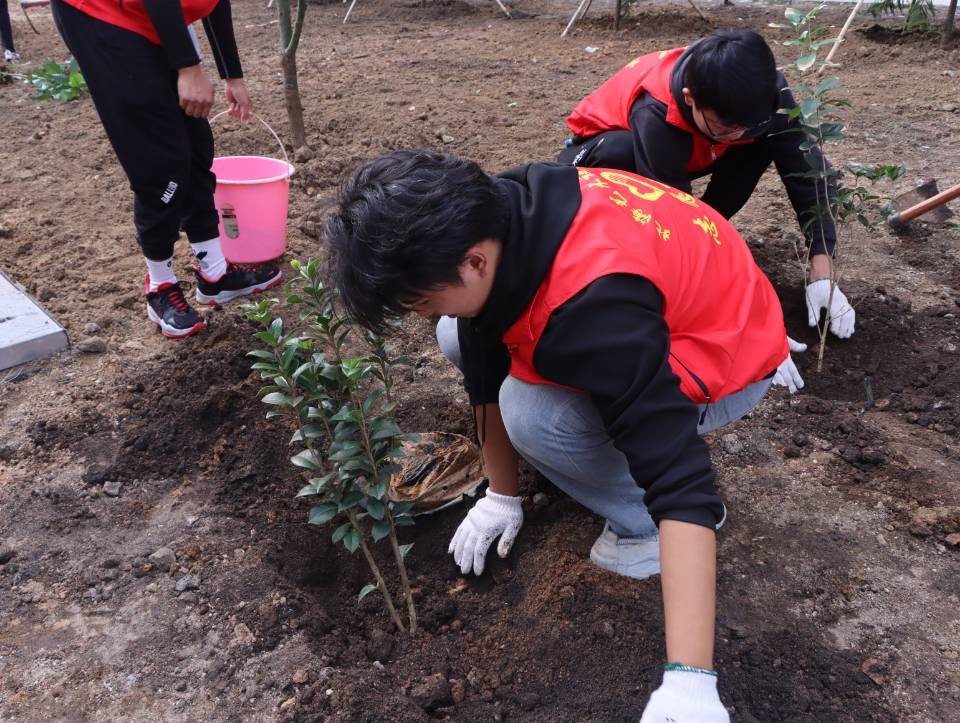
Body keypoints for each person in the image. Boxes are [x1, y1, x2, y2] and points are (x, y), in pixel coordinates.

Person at [326, 149, 798, 721]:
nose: (421, 314)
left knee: (533, 415)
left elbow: (680, 476)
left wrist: (691, 680)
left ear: (474, 261)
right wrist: (500, 495)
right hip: (673, 303)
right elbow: (481, 348)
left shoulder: (596, 310)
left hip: (724, 356)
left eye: (421, 300)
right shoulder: (502, 211)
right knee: (456, 331)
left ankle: (642, 529)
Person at [559, 29, 854, 390]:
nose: (737, 134)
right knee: (633, 170)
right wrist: (751, 326)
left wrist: (822, 269)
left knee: (763, 142)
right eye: (725, 126)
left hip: (692, 149)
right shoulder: (656, 110)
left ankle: (712, 230)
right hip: (600, 159)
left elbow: (807, 172)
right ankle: (623, 259)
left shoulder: (763, 95)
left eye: (745, 125)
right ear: (690, 98)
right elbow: (676, 224)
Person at [50, 0, 280, 338]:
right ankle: (160, 286)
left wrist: (232, 75)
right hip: (101, 15)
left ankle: (214, 272)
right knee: (161, 163)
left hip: (153, 12)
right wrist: (188, 67)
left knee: (196, 145)